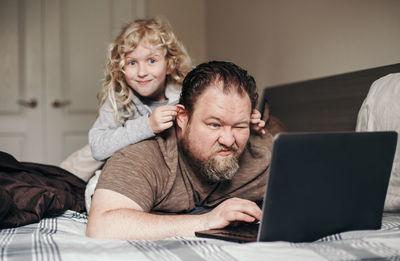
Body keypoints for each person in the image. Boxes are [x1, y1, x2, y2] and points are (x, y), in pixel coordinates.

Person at [86, 61, 274, 240]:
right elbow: (101, 225)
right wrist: (206, 221)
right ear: (183, 118)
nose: (228, 140)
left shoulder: (264, 156)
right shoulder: (144, 155)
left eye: (239, 127)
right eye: (215, 124)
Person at [88, 17, 192, 161]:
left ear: (169, 65)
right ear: (121, 67)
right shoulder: (119, 101)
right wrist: (148, 125)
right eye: (132, 63)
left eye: (151, 61)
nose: (142, 72)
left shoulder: (186, 97)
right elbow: (97, 148)